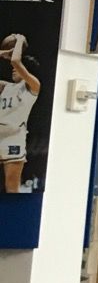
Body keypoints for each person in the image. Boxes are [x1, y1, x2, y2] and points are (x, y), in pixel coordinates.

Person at [0, 34, 40, 194]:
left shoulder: (33, 86)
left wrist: (21, 39)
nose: (13, 69)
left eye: (17, 69)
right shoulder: (5, 86)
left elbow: (15, 61)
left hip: (13, 139)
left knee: (12, 189)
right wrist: (2, 53)